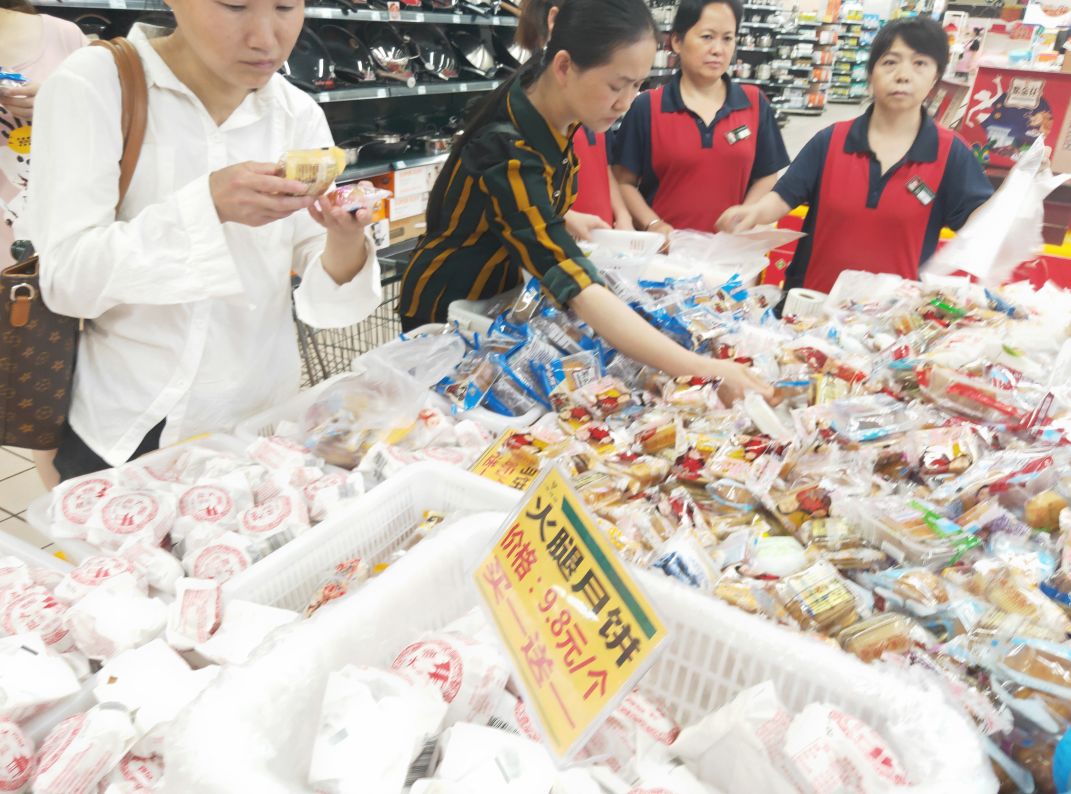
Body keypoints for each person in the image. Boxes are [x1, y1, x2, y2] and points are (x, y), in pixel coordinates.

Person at [27, 1, 383, 482]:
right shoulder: (95, 84)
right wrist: (206, 206)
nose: (266, 37)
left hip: (255, 426)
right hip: (126, 425)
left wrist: (345, 238)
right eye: (235, 5)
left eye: (285, 6)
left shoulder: (297, 114)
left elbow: (322, 282)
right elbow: (68, 279)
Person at [398, 0, 772, 403]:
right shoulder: (506, 146)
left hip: (495, 302)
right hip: (445, 312)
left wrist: (564, 216)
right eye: (617, 85)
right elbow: (573, 283)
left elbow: (514, 203)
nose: (627, 102)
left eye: (638, 85)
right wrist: (702, 368)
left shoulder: (555, 106)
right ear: (563, 67)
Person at [717, 16, 995, 295]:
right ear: (871, 73)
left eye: (920, 63)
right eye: (890, 62)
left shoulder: (951, 154)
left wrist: (1025, 187)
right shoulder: (831, 141)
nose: (903, 74)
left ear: (935, 77)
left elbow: (980, 226)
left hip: (891, 322)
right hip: (811, 309)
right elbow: (784, 196)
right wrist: (753, 212)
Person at [611, 0, 789, 241]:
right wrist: (653, 224)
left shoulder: (754, 104)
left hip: (729, 254)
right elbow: (624, 182)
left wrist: (748, 212)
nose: (718, 49)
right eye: (707, 37)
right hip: (666, 255)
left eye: (728, 38)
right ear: (676, 41)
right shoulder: (648, 107)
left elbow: (766, 174)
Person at [0, 0, 87, 488]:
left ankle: (70, 512)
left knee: (51, 394)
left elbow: (110, 128)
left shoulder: (63, 37)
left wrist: (57, 102)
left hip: (58, 243)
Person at [516, 0, 632, 238]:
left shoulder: (596, 100)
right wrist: (563, 218)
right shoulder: (530, 108)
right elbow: (515, 194)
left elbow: (603, 165)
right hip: (556, 241)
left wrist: (622, 214)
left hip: (600, 236)